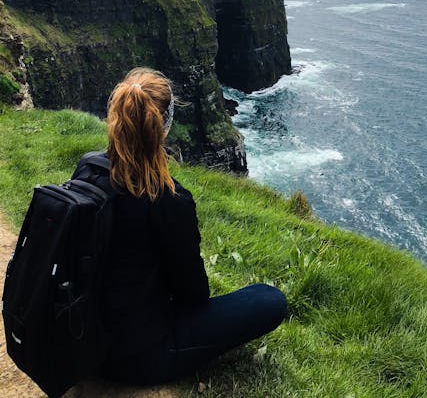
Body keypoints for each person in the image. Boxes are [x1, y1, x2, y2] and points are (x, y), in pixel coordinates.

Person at [89, 67, 287, 386]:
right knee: (269, 299)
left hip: (83, 338)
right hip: (135, 358)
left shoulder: (88, 169)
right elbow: (193, 296)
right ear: (164, 125)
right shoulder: (167, 199)